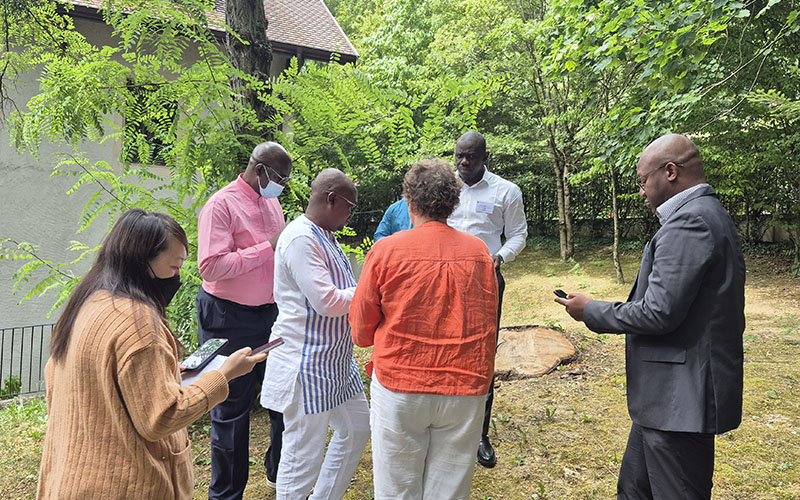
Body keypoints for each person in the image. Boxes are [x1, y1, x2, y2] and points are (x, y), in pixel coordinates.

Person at [556, 134, 745, 499]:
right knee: (633, 490)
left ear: (670, 172)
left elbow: (659, 313)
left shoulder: (691, 222)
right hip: (664, 401)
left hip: (680, 401)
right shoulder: (705, 215)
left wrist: (590, 310)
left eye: (643, 180)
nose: (641, 191)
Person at [37, 209, 267, 499]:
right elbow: (162, 416)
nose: (178, 276)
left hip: (70, 477)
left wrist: (164, 374)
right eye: (174, 267)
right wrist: (223, 375)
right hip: (124, 485)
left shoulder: (87, 303)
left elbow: (80, 384)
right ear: (143, 262)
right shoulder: (138, 322)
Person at [351, 159, 498, 499]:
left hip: (400, 384)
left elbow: (360, 332)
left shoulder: (386, 251)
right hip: (465, 385)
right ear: (453, 204)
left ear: (409, 202)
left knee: (396, 487)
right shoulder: (479, 252)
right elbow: (487, 320)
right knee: (449, 489)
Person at [260, 168, 370, 499]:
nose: (351, 215)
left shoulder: (325, 236)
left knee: (357, 428)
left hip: (336, 362)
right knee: (301, 459)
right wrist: (370, 291)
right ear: (331, 199)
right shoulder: (301, 239)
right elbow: (327, 301)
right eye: (350, 206)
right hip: (307, 364)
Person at [196, 142, 291, 497]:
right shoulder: (221, 205)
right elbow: (211, 266)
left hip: (270, 313)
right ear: (260, 169)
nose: (282, 185)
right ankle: (226, 494)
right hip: (228, 316)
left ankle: (279, 473)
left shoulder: (272, 202)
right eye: (280, 177)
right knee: (231, 408)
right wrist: (268, 247)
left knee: (282, 396)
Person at [447, 130, 528, 468]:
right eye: (459, 156)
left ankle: (479, 432)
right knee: (445, 348)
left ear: (486, 157)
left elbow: (518, 234)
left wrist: (500, 257)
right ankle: (446, 426)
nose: (464, 162)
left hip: (484, 280)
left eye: (471, 156)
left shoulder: (505, 191)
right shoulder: (445, 187)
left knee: (481, 354)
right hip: (444, 279)